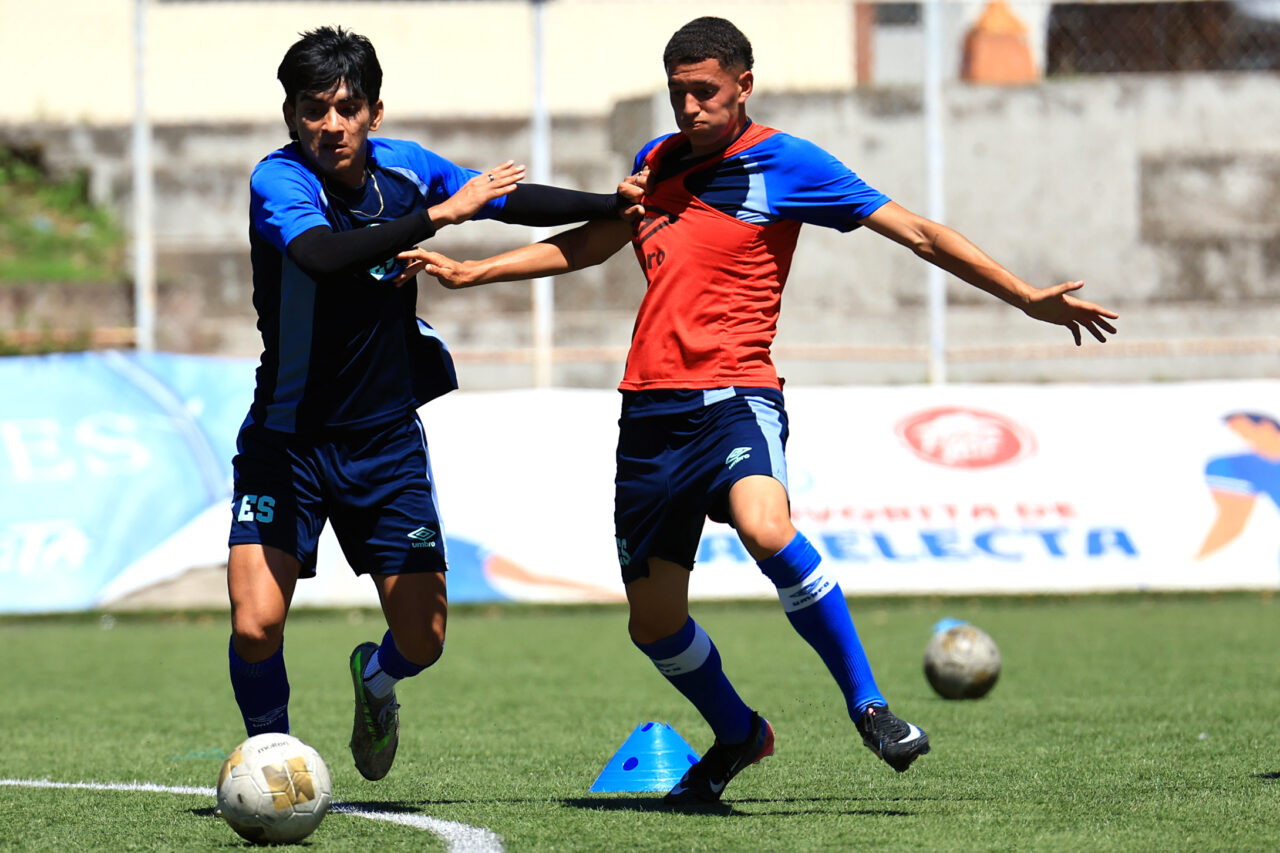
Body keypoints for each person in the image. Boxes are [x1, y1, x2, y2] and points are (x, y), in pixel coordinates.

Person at [403, 16, 1119, 806]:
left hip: (734, 398)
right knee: (654, 625)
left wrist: (1022, 295)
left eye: (705, 91)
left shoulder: (788, 163)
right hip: (647, 417)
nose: (689, 108)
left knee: (766, 527)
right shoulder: (654, 162)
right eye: (678, 93)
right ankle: (742, 732)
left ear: (744, 84)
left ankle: (869, 705)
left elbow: (914, 230)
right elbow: (594, 242)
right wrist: (477, 272)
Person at [226, 25, 636, 783]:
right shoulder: (279, 181)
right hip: (287, 442)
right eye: (313, 108)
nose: (331, 124)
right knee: (255, 624)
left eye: (347, 107)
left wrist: (611, 201)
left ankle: (375, 682)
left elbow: (505, 199)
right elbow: (320, 256)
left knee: (423, 638)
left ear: (374, 112)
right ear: (291, 116)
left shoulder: (407, 169)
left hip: (383, 443)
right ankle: (271, 758)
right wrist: (441, 217)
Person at [1196, 412, 1280, 559]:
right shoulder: (1239, 465)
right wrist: (1194, 562)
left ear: (1267, 426)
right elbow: (1231, 522)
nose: (1246, 440)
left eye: (1245, 432)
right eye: (1239, 434)